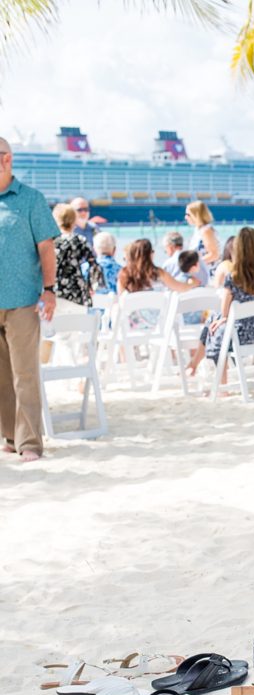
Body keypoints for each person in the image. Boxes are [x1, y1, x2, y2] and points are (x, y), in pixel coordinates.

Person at [0, 137, 58, 462]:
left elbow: (46, 248)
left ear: (6, 159)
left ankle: (31, 444)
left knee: (25, 374)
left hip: (22, 301)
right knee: (1, 376)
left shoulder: (31, 200)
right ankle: (10, 436)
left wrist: (48, 290)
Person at [188, 226, 254, 376]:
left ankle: (217, 382)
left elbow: (224, 311)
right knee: (216, 324)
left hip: (242, 336)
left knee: (215, 327)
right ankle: (193, 365)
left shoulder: (234, 277)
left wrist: (221, 319)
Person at [53, 203, 102, 312]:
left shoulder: (52, 240)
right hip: (77, 288)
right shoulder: (80, 240)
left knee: (57, 326)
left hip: (55, 288)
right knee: (77, 325)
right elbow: (95, 266)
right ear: (74, 221)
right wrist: (91, 284)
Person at [184, 201, 220, 269]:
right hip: (201, 271)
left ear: (196, 215)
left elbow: (214, 254)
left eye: (188, 214)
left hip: (208, 273)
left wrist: (191, 265)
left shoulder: (206, 231)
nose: (185, 217)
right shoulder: (199, 230)